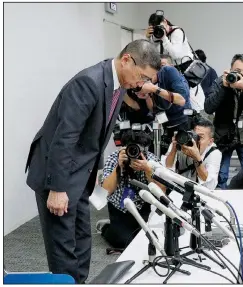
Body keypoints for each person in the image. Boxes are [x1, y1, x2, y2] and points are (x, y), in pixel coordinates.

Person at [24, 39, 161, 283]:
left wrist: (95, 174)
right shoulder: (88, 82)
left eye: (148, 81)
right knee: (63, 245)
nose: (142, 84)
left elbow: (94, 137)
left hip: (79, 173)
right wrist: (57, 188)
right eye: (142, 76)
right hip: (57, 173)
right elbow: (64, 138)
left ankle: (79, 282)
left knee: (82, 239)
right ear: (127, 59)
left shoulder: (119, 86)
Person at [204, 54, 243, 189]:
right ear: (230, 69)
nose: (241, 75)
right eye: (237, 71)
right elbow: (208, 108)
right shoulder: (220, 82)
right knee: (221, 175)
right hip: (223, 137)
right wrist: (224, 86)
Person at [97, 130, 163, 249]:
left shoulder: (152, 160)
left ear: (145, 150)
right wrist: (119, 166)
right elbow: (107, 190)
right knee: (124, 241)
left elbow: (161, 191)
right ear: (124, 148)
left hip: (144, 207)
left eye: (138, 151)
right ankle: (106, 227)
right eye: (131, 149)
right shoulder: (114, 158)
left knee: (147, 239)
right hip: (119, 207)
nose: (134, 154)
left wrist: (148, 170)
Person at [146, 11, 206, 114]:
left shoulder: (177, 31)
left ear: (165, 21)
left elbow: (175, 54)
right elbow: (151, 53)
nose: (159, 31)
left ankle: (198, 118)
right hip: (174, 72)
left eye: (159, 27)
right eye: (155, 29)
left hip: (187, 71)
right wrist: (149, 38)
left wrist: (164, 38)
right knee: (177, 102)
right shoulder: (158, 36)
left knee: (192, 102)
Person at [164, 118, 222, 190]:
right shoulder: (182, 142)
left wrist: (196, 157)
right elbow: (167, 167)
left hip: (201, 192)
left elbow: (208, 184)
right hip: (179, 188)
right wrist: (174, 148)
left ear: (210, 141)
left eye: (200, 137)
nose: (195, 140)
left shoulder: (214, 153)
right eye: (194, 135)